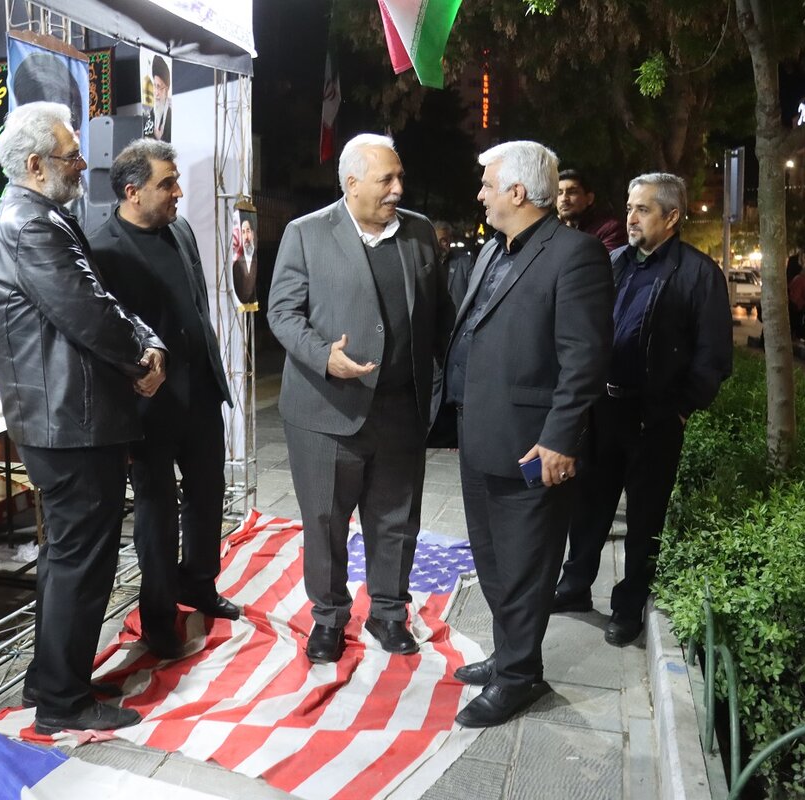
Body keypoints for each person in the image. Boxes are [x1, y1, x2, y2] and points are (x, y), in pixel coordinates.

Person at [0, 101, 166, 734]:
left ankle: (51, 680)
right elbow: (87, 313)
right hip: (70, 422)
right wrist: (141, 357)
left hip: (68, 418)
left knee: (69, 558)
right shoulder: (31, 225)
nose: (83, 164)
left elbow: (97, 296)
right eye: (71, 155)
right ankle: (63, 701)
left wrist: (145, 340)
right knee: (81, 561)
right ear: (36, 165)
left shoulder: (37, 218)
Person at [442, 141, 612, 728]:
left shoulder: (576, 254)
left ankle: (519, 679)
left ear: (517, 191)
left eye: (488, 184)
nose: (481, 194)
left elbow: (584, 358)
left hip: (533, 444)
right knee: (493, 561)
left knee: (526, 565)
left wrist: (561, 438)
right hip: (480, 435)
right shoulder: (495, 248)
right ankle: (513, 656)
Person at [267, 133, 452, 665]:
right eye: (385, 180)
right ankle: (328, 618)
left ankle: (389, 612)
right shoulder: (306, 233)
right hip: (326, 410)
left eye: (400, 177)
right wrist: (323, 356)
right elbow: (282, 313)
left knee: (396, 519)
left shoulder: (418, 232)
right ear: (351, 183)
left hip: (400, 409)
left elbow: (438, 313)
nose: (398, 189)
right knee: (325, 521)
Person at [553, 172, 732, 647]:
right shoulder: (612, 262)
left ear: (672, 217)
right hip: (603, 410)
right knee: (588, 506)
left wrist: (681, 409)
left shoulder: (699, 274)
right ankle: (574, 586)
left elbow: (713, 356)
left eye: (643, 209)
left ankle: (627, 606)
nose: (630, 217)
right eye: (630, 207)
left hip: (655, 419)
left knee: (645, 518)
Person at [91, 138, 237, 660]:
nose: (178, 192)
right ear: (132, 192)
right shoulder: (101, 249)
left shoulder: (181, 230)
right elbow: (102, 335)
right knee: (156, 515)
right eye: (167, 183)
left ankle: (199, 585)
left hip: (201, 394)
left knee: (208, 495)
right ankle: (157, 616)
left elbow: (195, 305)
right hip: (148, 409)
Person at [557, 169, 626, 251]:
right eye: (559, 193)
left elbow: (605, 259)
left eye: (572, 192)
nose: (564, 199)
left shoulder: (610, 229)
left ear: (589, 198)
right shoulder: (553, 230)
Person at [144, 55, 172, 142]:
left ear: (166, 90)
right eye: (155, 86)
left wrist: (160, 139)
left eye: (159, 87)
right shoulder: (150, 114)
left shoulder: (170, 116)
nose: (156, 93)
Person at [788, 255, 805, 340]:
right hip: (798, 305)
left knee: (793, 321)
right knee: (797, 321)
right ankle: (796, 336)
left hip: (792, 303)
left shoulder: (797, 278)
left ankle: (793, 335)